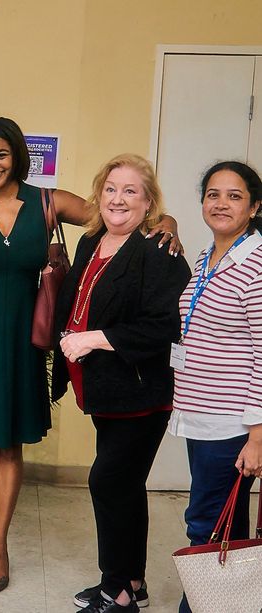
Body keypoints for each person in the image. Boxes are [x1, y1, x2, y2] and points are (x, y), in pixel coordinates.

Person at [0, 118, 181, 593]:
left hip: (22, 339)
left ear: (17, 155)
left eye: (0, 154)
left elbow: (114, 214)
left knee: (7, 442)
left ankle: (0, 542)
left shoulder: (48, 202)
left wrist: (167, 221)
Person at [51, 154, 190, 613]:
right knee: (126, 486)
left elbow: (163, 327)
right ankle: (133, 580)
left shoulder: (158, 250)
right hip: (104, 390)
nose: (118, 198)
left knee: (107, 482)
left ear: (149, 201)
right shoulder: (92, 240)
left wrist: (94, 338)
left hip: (140, 394)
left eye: (131, 191)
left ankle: (119, 592)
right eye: (111, 188)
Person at [169, 161, 262, 613]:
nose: (221, 203)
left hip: (230, 424)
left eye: (234, 195)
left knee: (206, 524)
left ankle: (201, 606)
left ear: (254, 206)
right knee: (225, 527)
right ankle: (230, 604)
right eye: (213, 194)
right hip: (202, 416)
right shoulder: (210, 256)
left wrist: (257, 436)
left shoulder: (257, 264)